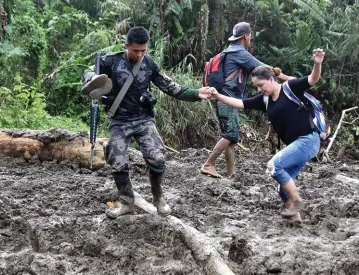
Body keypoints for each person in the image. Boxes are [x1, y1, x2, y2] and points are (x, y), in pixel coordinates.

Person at [82, 26, 216, 219]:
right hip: (119, 120)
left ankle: (158, 198)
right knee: (117, 161)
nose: (140, 54)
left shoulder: (149, 64)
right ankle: (126, 202)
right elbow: (88, 72)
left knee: (157, 158)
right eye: (136, 50)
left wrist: (196, 93)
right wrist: (92, 77)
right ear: (127, 46)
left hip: (143, 119)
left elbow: (170, 87)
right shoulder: (111, 61)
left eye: (143, 50)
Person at [208, 48, 326, 222]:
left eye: (261, 85)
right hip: (296, 145)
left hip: (309, 140)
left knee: (274, 166)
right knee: (282, 189)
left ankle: (297, 200)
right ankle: (296, 222)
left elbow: (312, 79)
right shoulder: (265, 99)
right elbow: (240, 103)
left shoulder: (290, 88)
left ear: (271, 79)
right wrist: (218, 96)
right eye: (256, 86)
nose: (259, 89)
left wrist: (317, 63)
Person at [200, 22, 291, 178]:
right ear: (246, 36)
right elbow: (264, 69)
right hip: (228, 97)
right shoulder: (239, 52)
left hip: (225, 97)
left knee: (231, 139)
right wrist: (288, 79)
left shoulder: (230, 51)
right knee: (229, 134)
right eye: (250, 36)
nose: (250, 39)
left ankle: (230, 175)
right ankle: (208, 164)